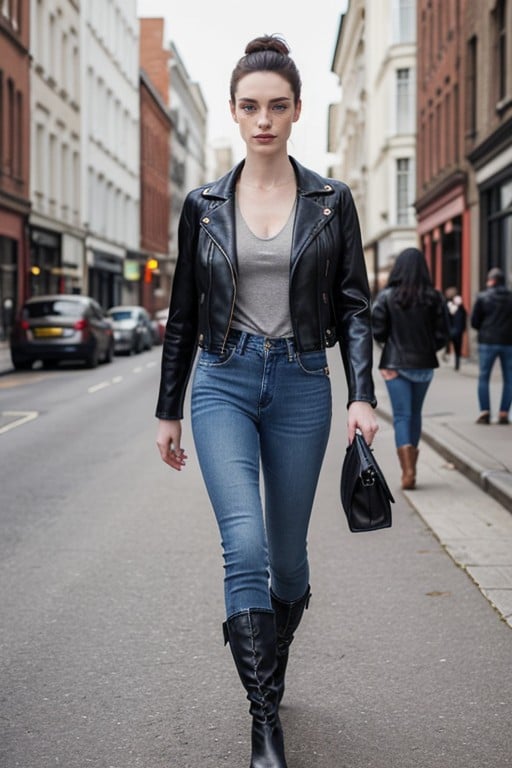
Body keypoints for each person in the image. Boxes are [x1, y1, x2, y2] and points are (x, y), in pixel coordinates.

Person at [155, 34, 378, 768]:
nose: (263, 120)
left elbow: (353, 306)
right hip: (222, 380)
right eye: (250, 106)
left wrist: (362, 396)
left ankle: (268, 659)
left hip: (301, 385)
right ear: (234, 111)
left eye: (277, 107)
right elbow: (184, 311)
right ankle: (264, 722)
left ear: (296, 112)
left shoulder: (330, 200)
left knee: (287, 561)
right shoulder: (203, 205)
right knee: (243, 547)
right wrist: (167, 410)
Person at [372, 248, 449, 490]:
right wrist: (429, 349)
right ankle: (411, 468)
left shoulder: (387, 296)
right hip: (424, 365)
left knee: (402, 417)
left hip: (395, 366)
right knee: (415, 415)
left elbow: (378, 331)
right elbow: (443, 335)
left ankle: (408, 471)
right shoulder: (434, 297)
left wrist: (388, 352)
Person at [470, 267, 512, 425]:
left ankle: (485, 411)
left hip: (487, 341)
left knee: (484, 377)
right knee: (509, 378)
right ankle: (503, 412)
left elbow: (474, 321)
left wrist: (484, 329)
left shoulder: (482, 297)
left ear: (492, 281)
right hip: (508, 342)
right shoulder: (510, 298)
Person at [445, 287, 467, 371]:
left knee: (457, 346)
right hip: (454, 328)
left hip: (456, 328)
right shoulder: (448, 304)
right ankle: (448, 356)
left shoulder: (459, 305)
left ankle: (456, 363)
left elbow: (463, 316)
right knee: (453, 344)